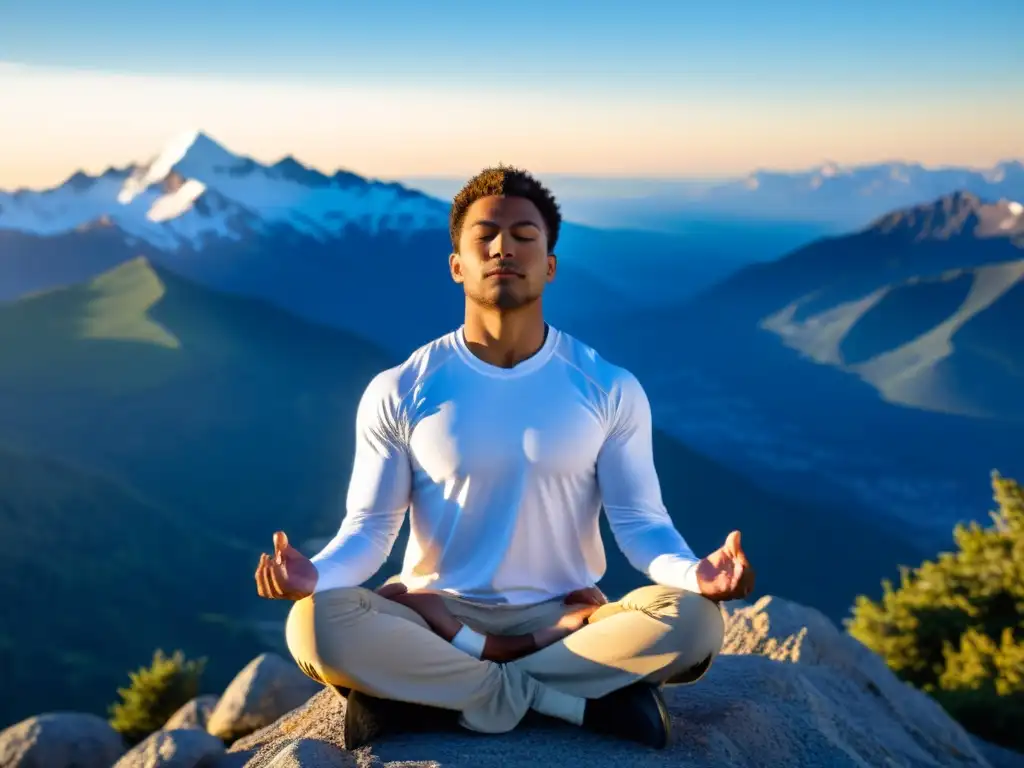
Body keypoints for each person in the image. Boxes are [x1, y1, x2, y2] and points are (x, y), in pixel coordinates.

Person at [254, 165, 755, 751]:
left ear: (549, 264)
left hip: (567, 619)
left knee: (695, 622)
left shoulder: (608, 387)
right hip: (432, 615)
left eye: (524, 236)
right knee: (313, 625)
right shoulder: (400, 388)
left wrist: (696, 574)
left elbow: (640, 523)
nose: (503, 248)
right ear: (457, 264)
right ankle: (569, 702)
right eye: (484, 236)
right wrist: (319, 575)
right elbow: (370, 528)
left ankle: (435, 697)